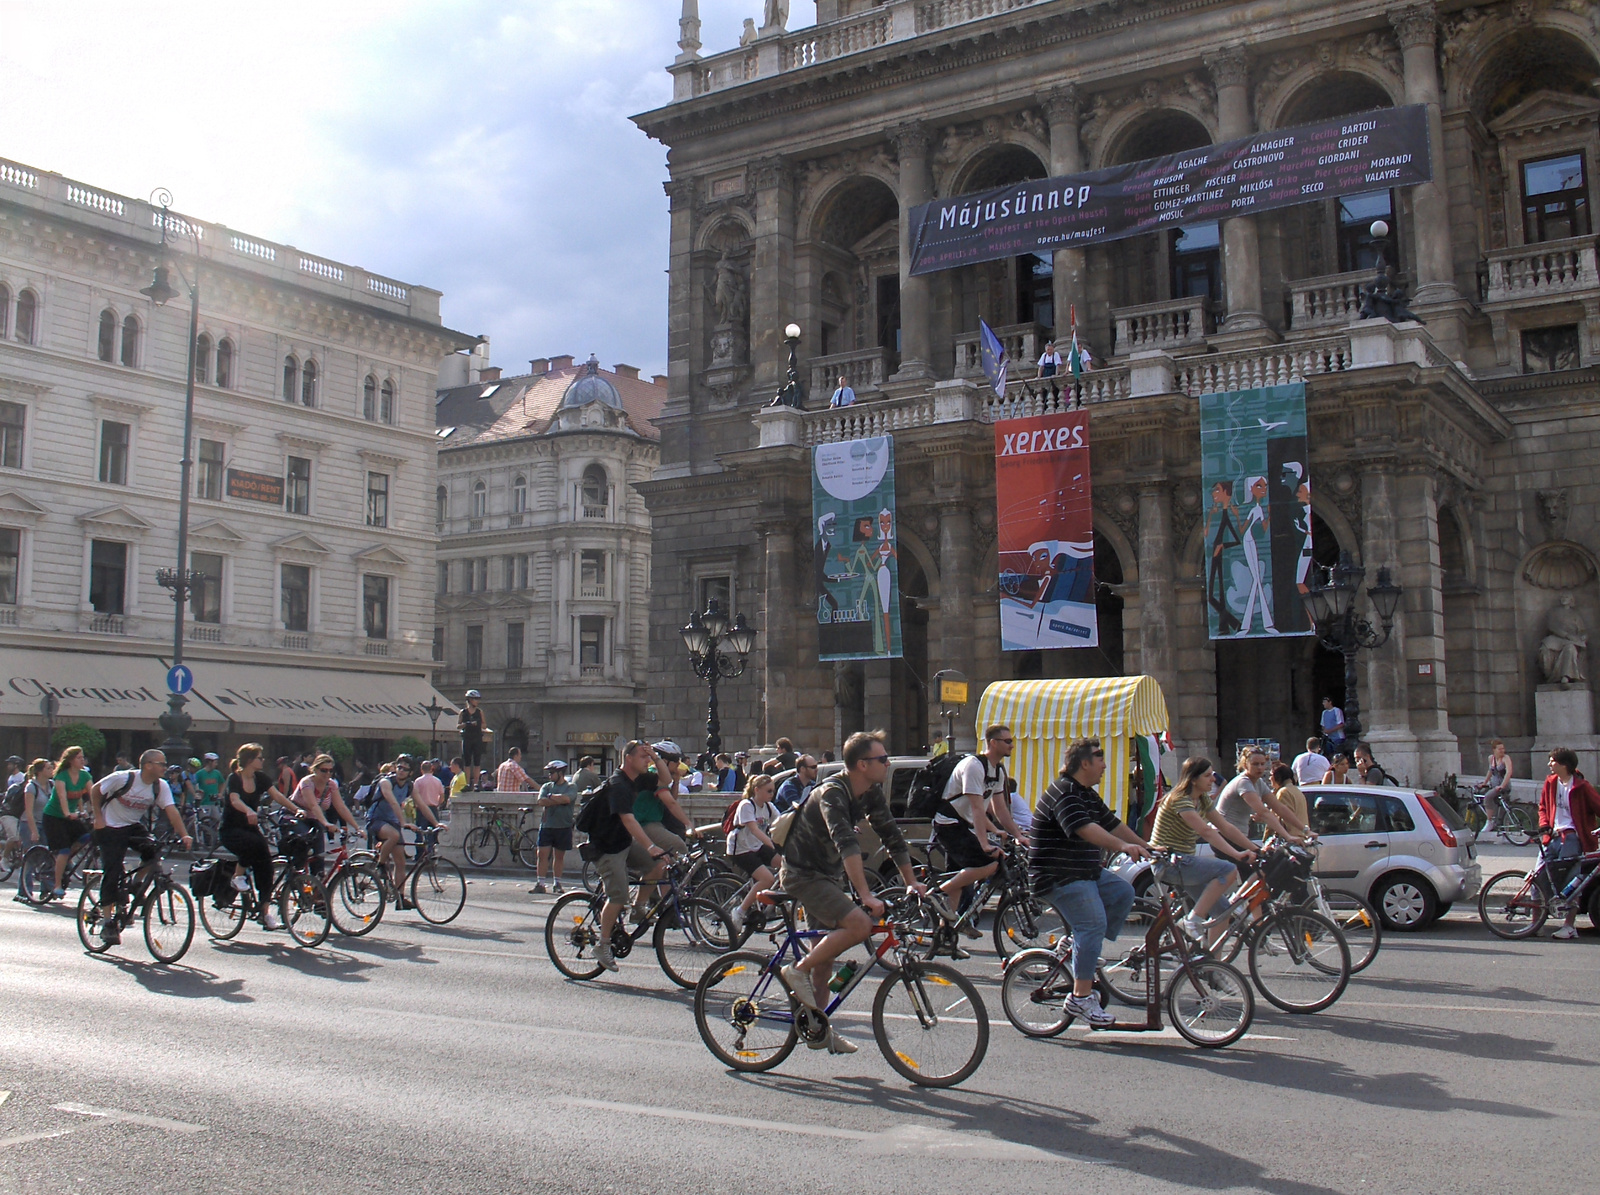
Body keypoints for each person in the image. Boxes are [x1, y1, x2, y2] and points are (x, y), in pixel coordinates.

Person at [777, 731, 927, 1051]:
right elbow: (846, 842)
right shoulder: (833, 792)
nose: (887, 763)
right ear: (862, 764)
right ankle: (795, 970)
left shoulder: (869, 793)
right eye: (882, 758)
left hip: (827, 876)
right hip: (802, 874)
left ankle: (818, 1030)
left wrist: (911, 881)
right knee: (859, 925)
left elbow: (891, 835)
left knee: (826, 962)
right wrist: (866, 895)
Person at [1029, 737, 1152, 1027]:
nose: (1105, 765)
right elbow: (1085, 829)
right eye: (1100, 758)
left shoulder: (1085, 792)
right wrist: (1123, 848)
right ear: (1084, 763)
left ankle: (1077, 947)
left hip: (1085, 871)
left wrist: (1146, 846)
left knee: (1123, 891)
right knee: (1092, 924)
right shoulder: (1065, 793)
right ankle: (1080, 998)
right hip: (1059, 875)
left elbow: (1111, 823)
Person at [928, 724, 1027, 941]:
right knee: (987, 863)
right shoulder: (973, 766)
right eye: (1007, 741)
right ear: (993, 742)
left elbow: (999, 809)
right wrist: (984, 844)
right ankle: (938, 893)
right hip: (949, 823)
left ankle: (945, 936)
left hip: (963, 824)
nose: (1012, 745)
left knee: (959, 881)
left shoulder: (998, 770)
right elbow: (976, 807)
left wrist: (1017, 835)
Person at [1149, 756, 1257, 943]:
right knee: (1228, 869)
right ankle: (1192, 920)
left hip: (1184, 862)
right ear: (1193, 779)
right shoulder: (1180, 800)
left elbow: (1226, 827)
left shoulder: (1202, 799)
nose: (1213, 779)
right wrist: (1237, 855)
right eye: (1207, 776)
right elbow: (1206, 831)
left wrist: (1256, 849)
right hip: (1167, 863)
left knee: (1223, 913)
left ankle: (1211, 967)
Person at [589, 741, 677, 972]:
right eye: (643, 757)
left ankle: (639, 909)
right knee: (618, 897)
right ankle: (603, 944)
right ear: (628, 758)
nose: (647, 761)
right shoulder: (618, 784)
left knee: (659, 865)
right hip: (607, 846)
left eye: (648, 757)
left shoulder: (637, 779)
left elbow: (667, 780)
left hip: (624, 842)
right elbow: (628, 819)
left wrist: (656, 757)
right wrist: (650, 846)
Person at [89, 750, 193, 944]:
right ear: (148, 765)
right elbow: (95, 790)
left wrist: (184, 834)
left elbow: (171, 811)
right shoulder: (123, 778)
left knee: (153, 850)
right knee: (112, 870)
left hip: (132, 826)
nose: (165, 767)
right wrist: (98, 818)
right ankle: (107, 922)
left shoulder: (160, 786)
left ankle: (137, 883)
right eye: (161, 764)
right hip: (109, 827)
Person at [220, 744, 297, 930]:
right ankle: (237, 877)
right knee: (251, 844)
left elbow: (277, 796)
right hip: (231, 829)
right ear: (249, 760)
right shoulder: (234, 778)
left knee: (266, 869)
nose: (263, 761)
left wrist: (297, 810)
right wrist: (248, 810)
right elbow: (235, 800)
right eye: (259, 758)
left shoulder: (260, 778)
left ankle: (264, 913)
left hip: (251, 828)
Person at [1541, 748, 1600, 940]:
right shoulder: (1550, 783)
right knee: (1540, 876)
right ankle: (1535, 923)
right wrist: (1544, 826)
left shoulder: (1582, 787)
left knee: (1572, 882)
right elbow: (1542, 807)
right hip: (1552, 836)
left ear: (1563, 764)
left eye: (1552, 761)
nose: (1549, 764)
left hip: (1573, 837)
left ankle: (1569, 926)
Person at [724, 773, 780, 934]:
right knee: (767, 878)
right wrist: (773, 845)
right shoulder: (746, 805)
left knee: (787, 864)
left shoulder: (769, 807)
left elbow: (782, 822)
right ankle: (740, 911)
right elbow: (754, 830)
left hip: (756, 846)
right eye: (768, 791)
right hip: (740, 849)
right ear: (757, 790)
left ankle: (770, 904)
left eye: (773, 791)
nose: (772, 794)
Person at [291, 753, 363, 877]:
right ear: (315, 769)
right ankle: (293, 878)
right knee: (303, 844)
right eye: (323, 770)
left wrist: (357, 828)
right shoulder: (307, 782)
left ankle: (317, 889)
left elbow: (341, 807)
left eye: (330, 771)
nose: (327, 774)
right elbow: (313, 805)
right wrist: (326, 823)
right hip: (296, 817)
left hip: (314, 819)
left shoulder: (331, 784)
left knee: (319, 857)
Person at [1217, 747, 1305, 842]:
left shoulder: (1258, 782)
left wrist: (1305, 830)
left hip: (1239, 836)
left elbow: (1279, 808)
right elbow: (1264, 812)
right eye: (1255, 764)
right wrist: (1287, 836)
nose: (1259, 767)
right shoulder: (1243, 782)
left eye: (1262, 764)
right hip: (1223, 836)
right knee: (1259, 855)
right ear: (1245, 765)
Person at [43, 747, 93, 900]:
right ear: (71, 760)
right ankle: (57, 885)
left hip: (72, 816)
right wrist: (66, 813)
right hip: (54, 816)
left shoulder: (85, 775)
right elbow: (62, 796)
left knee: (86, 837)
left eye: (83, 757)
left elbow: (94, 795)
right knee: (63, 850)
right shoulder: (61, 776)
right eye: (79, 758)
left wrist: (98, 814)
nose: (82, 760)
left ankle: (65, 860)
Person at [532, 760, 576, 894]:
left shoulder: (571, 787)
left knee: (559, 856)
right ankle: (540, 883)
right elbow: (541, 801)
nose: (549, 776)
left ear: (560, 773)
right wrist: (557, 799)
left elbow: (567, 799)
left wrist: (551, 799)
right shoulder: (546, 786)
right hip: (547, 825)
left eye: (552, 773)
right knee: (542, 854)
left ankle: (557, 883)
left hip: (563, 825)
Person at [13, 758, 54, 902]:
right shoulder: (31, 787)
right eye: (48, 768)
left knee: (48, 856)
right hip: (29, 824)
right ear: (40, 771)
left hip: (46, 824)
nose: (51, 771)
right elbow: (29, 812)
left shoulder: (52, 785)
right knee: (30, 857)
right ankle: (24, 891)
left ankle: (46, 890)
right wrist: (34, 831)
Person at [1476, 740, 1514, 830]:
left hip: (1503, 786)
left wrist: (1502, 786)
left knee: (1488, 797)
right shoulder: (1491, 758)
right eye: (1499, 749)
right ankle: (1501, 825)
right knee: (1482, 793)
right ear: (1494, 750)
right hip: (1493, 784)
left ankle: (1489, 821)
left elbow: (1509, 772)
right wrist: (1484, 783)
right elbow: (1490, 771)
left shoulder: (1506, 758)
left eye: (1503, 748)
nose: (1502, 751)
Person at [1270, 762, 1310, 833]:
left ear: (1277, 777)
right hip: (1300, 836)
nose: (1269, 778)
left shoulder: (1284, 792)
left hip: (1290, 838)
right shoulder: (1296, 790)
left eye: (1271, 775)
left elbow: (1283, 817)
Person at [458, 690, 487, 789]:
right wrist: (467, 724)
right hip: (467, 738)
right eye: (475, 699)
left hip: (477, 737)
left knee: (477, 761)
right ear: (469, 700)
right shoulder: (463, 712)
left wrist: (478, 724)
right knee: (467, 761)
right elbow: (458, 726)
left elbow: (484, 725)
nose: (477, 701)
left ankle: (475, 783)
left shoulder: (479, 712)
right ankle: (467, 783)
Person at [410, 759, 447, 830]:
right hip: (433, 808)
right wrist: (438, 804)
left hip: (421, 809)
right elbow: (442, 796)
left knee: (420, 831)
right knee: (434, 831)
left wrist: (415, 805)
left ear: (421, 769)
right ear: (432, 769)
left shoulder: (418, 781)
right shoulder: (438, 781)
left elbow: (414, 795)